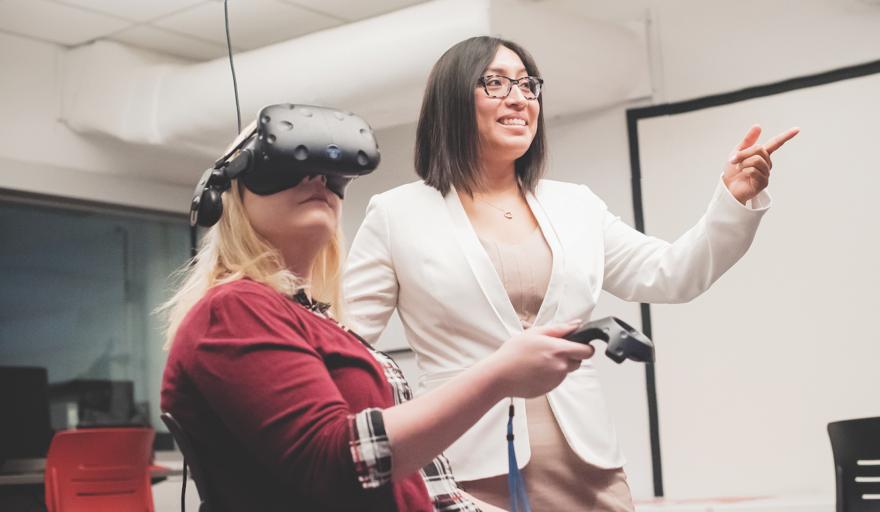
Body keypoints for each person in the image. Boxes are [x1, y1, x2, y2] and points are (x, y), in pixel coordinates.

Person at [343, 36, 799, 510]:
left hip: (588, 465)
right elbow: (348, 345)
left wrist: (733, 199)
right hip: (467, 466)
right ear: (452, 100)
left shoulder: (575, 204)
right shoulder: (397, 214)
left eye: (526, 84)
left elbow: (672, 274)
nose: (519, 98)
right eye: (495, 83)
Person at [159, 122, 596, 511]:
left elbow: (423, 487)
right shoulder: (233, 309)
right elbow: (339, 463)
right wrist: (499, 376)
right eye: (287, 164)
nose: (317, 179)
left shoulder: (318, 320)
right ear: (229, 192)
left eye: (333, 174)